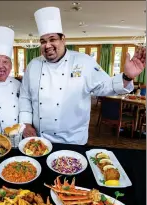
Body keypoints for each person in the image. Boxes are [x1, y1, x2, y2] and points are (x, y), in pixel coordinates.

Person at [19, 7, 146, 145]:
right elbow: (25, 97)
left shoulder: (84, 61)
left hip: (73, 141)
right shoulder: (33, 65)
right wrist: (26, 123)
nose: (47, 45)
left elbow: (104, 86)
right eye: (43, 41)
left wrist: (127, 76)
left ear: (63, 39)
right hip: (39, 140)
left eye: (52, 39)